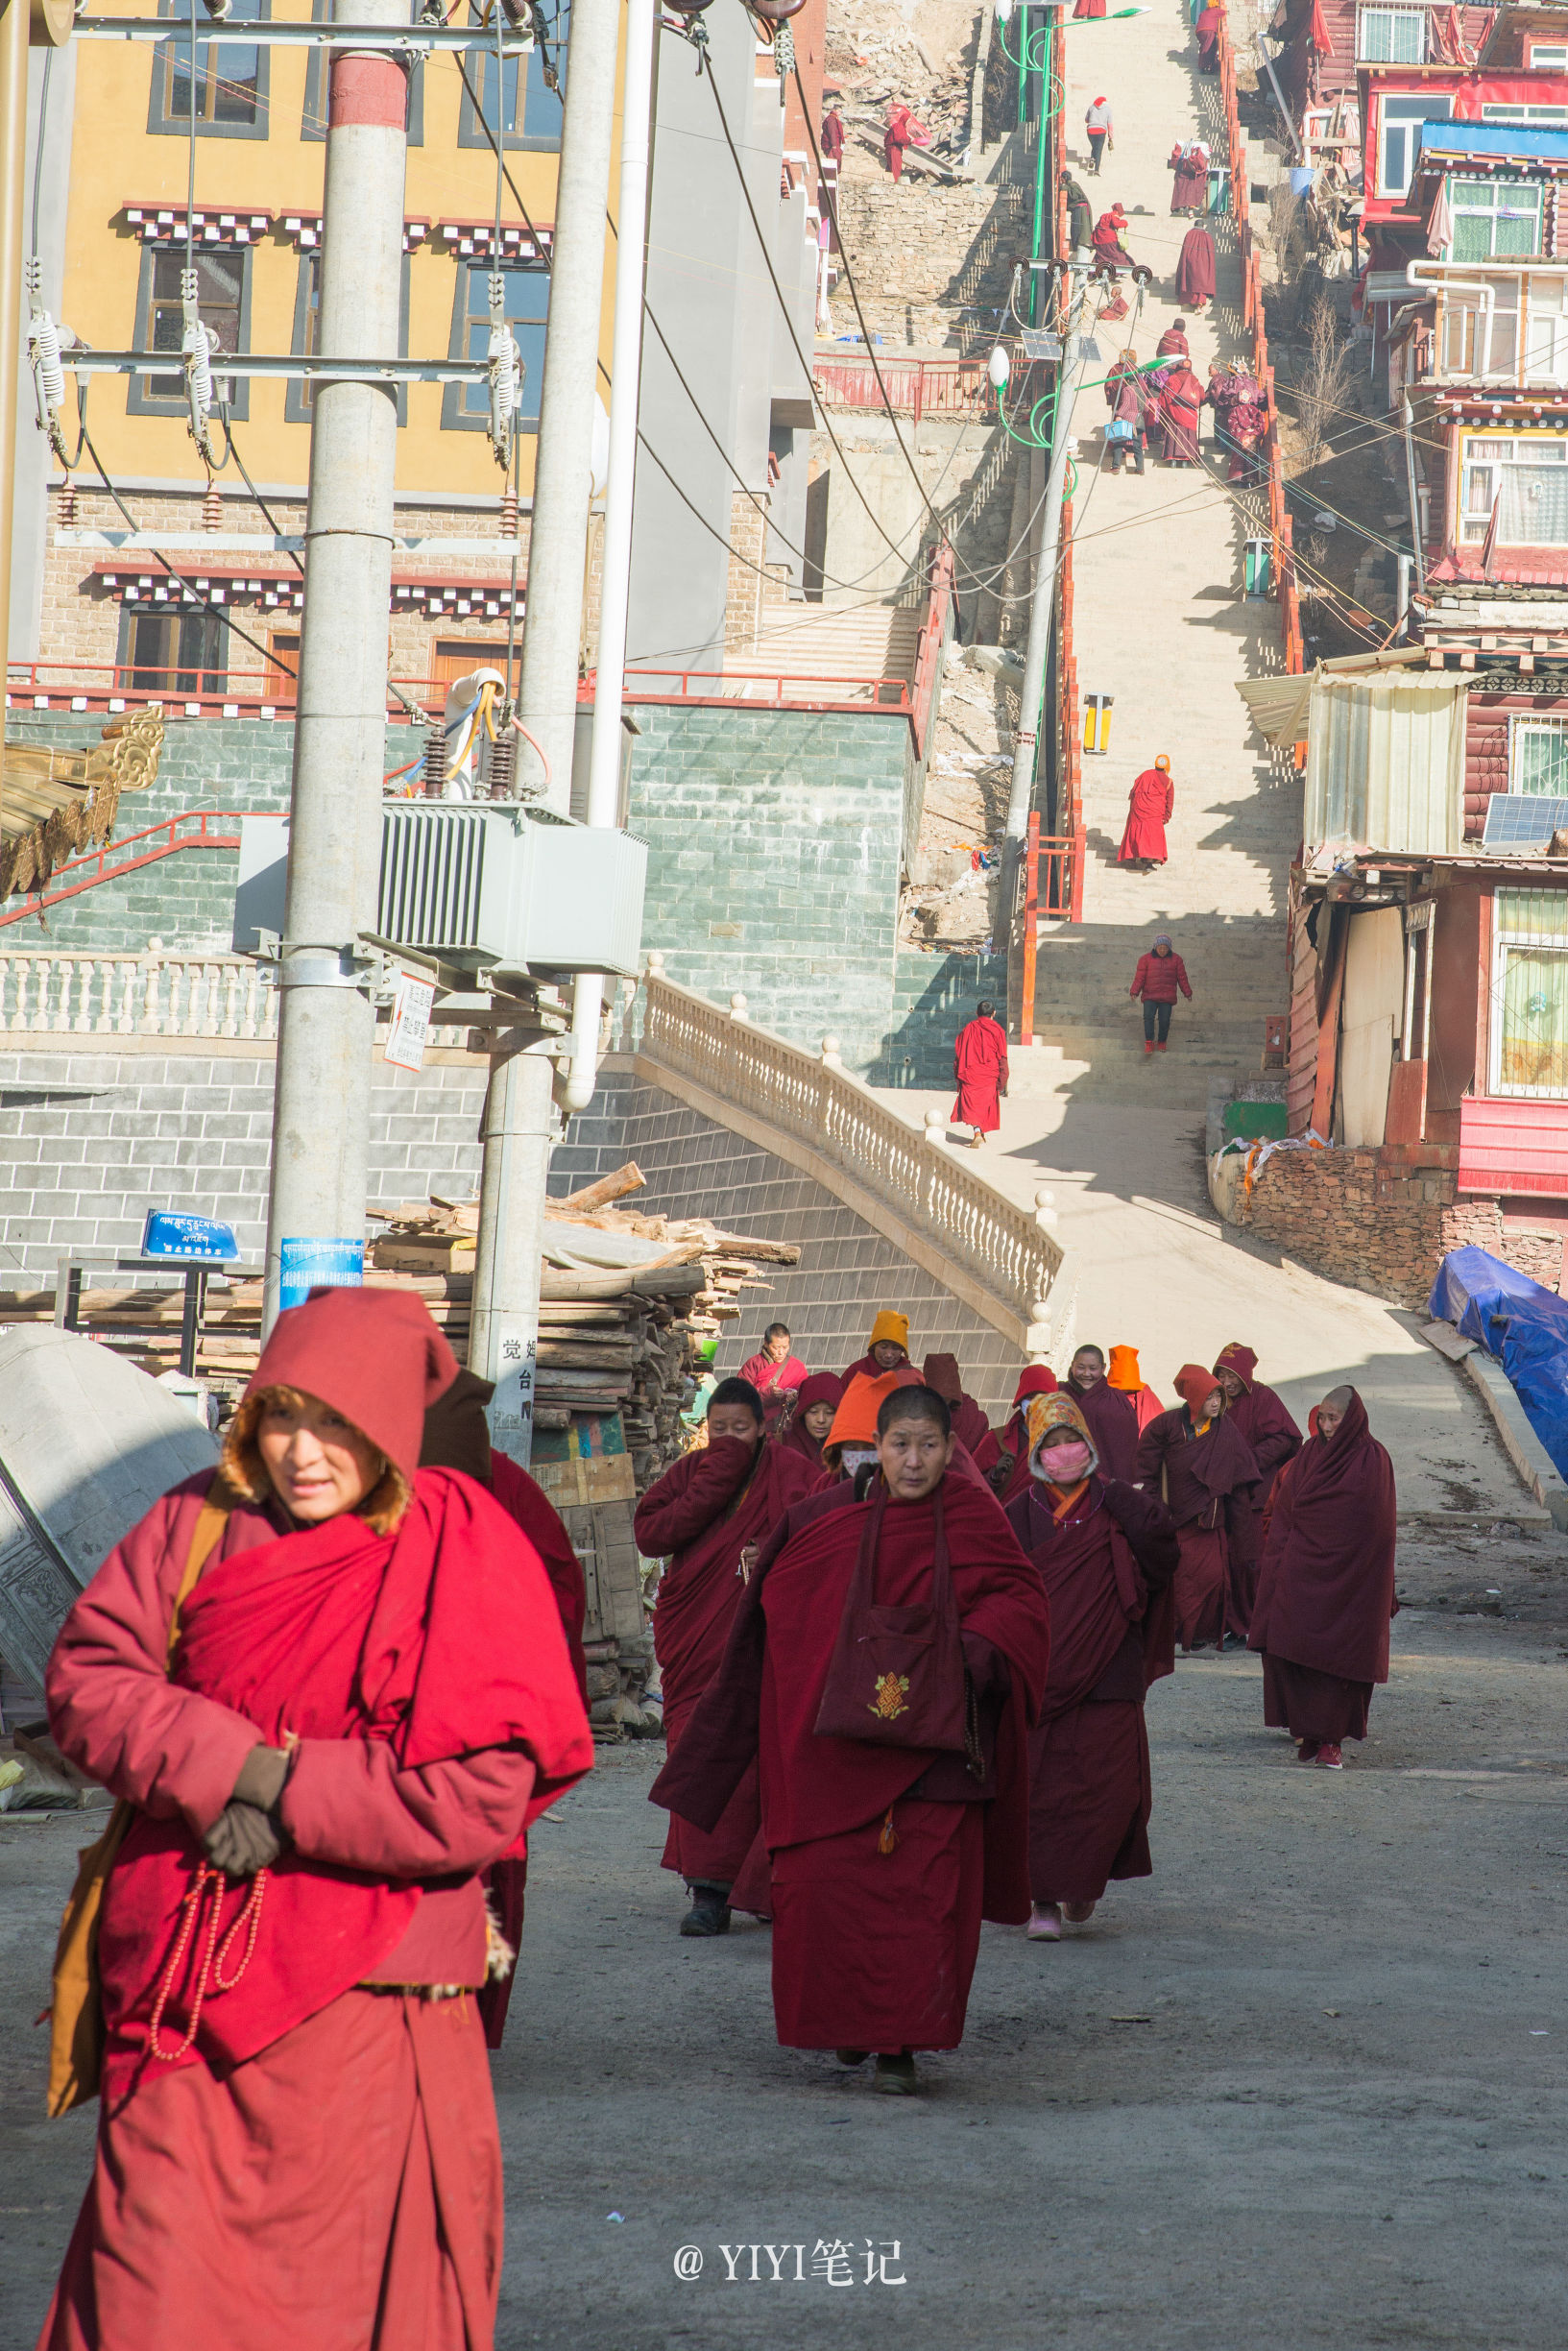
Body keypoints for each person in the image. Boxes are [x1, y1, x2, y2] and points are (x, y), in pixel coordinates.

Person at [37, 1286, 592, 2351]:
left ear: (389, 1424)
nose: (303, 1451)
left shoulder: (456, 1545)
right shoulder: (196, 1520)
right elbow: (88, 1682)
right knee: (152, 2277)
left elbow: (479, 1799)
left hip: (366, 2004)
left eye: (338, 1422)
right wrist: (225, 1768)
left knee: (337, 2301)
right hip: (186, 1985)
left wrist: (286, 1795)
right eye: (282, 1416)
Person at [651, 1385, 1051, 2096]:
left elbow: (1019, 1600)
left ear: (949, 1449)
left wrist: (969, 1651)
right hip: (835, 1748)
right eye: (900, 1444)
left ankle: (900, 2045)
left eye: (929, 1445)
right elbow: (777, 1619)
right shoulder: (823, 1521)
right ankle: (846, 2028)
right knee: (829, 1894)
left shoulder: (970, 1517)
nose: (914, 1461)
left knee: (923, 1904)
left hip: (937, 1751)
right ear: (877, 1445)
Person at [420, 1366, 590, 2049]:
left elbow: (557, 1588)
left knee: (484, 1874)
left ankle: (456, 2024)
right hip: (394, 1742)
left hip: (486, 1730)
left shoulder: (504, 1488)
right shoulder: (357, 1487)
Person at [633, 1376, 816, 1935]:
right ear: (705, 1430)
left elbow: (821, 1536)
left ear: (764, 1427)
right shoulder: (692, 1472)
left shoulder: (791, 1474)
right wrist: (711, 1482)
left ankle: (758, 1885)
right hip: (695, 1640)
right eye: (719, 1431)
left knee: (760, 1763)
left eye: (742, 1429)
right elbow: (651, 1534)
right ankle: (707, 1890)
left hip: (763, 1639)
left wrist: (774, 1552)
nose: (730, 1439)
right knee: (697, 1750)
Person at [1005, 1395, 1177, 1940]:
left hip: (1108, 1667)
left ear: (1090, 1445)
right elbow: (998, 1586)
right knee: (1039, 1788)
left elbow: (1162, 1559)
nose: (1063, 1452)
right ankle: (1043, 1902)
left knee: (1106, 1787)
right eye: (1050, 1444)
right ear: (1035, 1453)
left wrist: (1124, 1500)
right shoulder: (1019, 1513)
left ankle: (1084, 1882)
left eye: (1070, 1440)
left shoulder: (1118, 1503)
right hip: (1041, 1673)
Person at [1249, 1387, 1396, 1768]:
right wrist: (1278, 1566)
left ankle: (1332, 1741)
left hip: (1349, 1579)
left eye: (1335, 1419)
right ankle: (1309, 1734)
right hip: (1302, 1571)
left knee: (1339, 1658)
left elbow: (1377, 1526)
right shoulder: (1309, 1454)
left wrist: (1368, 1577)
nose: (1327, 1426)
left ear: (1353, 1419)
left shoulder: (1372, 1458)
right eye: (1323, 1418)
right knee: (1294, 1648)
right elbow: (1285, 1512)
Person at [1136, 1364, 1261, 1652]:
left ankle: (1202, 1637)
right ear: (1193, 1398)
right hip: (1176, 1522)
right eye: (1209, 1397)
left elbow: (1240, 1479)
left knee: (1214, 1580)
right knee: (1180, 1583)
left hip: (1210, 1522)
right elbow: (1146, 1468)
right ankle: (1175, 1636)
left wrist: (1242, 1529)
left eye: (1218, 1396)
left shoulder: (1226, 1430)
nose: (1216, 1402)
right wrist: (1155, 1506)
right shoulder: (1167, 1425)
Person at [1212, 1343, 1302, 1640]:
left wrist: (1247, 1462)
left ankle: (1251, 1627)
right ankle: (1228, 1623)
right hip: (1224, 1494)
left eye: (1233, 1376)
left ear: (1246, 1375)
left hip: (1254, 1495)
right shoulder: (1216, 1400)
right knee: (1226, 1561)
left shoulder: (1264, 1397)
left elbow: (1285, 1438)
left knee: (1252, 1563)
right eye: (1222, 1375)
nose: (1227, 1383)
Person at [1063, 1344, 1140, 1482]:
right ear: (1072, 1365)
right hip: (1064, 1480)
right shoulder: (1059, 1394)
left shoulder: (1116, 1400)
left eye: (1093, 1368)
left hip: (1105, 1482)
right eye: (1081, 1367)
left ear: (1103, 1368)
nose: (1086, 1374)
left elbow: (1125, 1450)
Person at [923, 1352, 1001, 1478]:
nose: (942, 1402)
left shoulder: (971, 1415)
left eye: (946, 1397)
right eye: (937, 1396)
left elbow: (980, 1459)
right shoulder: (918, 1413)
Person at [991, 1365, 1060, 1501]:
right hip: (1005, 1517)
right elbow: (972, 1484)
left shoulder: (1065, 1441)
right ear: (1021, 1400)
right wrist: (994, 1475)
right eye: (1031, 1398)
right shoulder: (998, 1438)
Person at [952, 998, 1009, 1147]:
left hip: (970, 1073)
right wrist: (1003, 1078)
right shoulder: (998, 1031)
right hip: (989, 1075)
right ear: (994, 1013)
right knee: (984, 1105)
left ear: (977, 1013)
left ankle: (977, 1131)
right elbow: (1002, 1057)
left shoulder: (968, 1029)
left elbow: (959, 1054)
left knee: (973, 1106)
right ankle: (978, 1132)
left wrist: (958, 1074)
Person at [1130, 932, 1192, 1054]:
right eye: (1160, 947)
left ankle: (1162, 1042)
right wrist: (1135, 991)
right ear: (1155, 947)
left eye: (1165, 948)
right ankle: (1149, 1042)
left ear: (1169, 948)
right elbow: (1139, 978)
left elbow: (1182, 978)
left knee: (1164, 1020)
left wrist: (1187, 992)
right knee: (1148, 1018)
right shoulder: (1145, 959)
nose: (1162, 950)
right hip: (1150, 995)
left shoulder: (1177, 960)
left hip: (1167, 997)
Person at [738, 1321, 808, 1431]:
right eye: (776, 1347)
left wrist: (795, 1397)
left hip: (785, 1429)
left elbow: (806, 1396)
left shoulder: (797, 1367)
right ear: (766, 1343)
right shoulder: (754, 1364)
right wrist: (768, 1393)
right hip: (757, 1427)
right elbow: (740, 1396)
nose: (781, 1352)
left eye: (785, 1347)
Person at [1209, 359, 1266, 484]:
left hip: (1235, 417)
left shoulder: (1231, 382)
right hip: (1252, 428)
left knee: (1237, 450)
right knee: (1252, 454)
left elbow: (1222, 398)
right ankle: (1251, 480)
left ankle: (1237, 477)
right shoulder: (1252, 383)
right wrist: (1254, 432)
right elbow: (1261, 399)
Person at [778, 1370, 843, 1471]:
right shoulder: (781, 1444)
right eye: (813, 1412)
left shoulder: (850, 1449)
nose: (821, 1420)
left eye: (829, 1413)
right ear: (802, 1413)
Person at [1117, 755, 1173, 868]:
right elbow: (1169, 801)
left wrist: (1133, 810)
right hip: (1154, 814)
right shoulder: (1168, 781)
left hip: (1138, 811)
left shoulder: (1144, 775)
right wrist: (1166, 817)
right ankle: (1148, 862)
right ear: (1167, 768)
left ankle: (1132, 855)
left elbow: (1133, 793)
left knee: (1138, 831)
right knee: (1151, 837)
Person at [1103, 351, 1149, 477]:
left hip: (1127, 420)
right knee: (1138, 445)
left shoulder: (1127, 389)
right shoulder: (1140, 390)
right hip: (1139, 420)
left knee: (1119, 442)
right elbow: (1146, 407)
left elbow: (1125, 404)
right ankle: (1140, 468)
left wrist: (1118, 414)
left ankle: (1116, 466)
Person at [1154, 353, 1205, 463]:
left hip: (1174, 412)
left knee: (1175, 433)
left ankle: (1172, 458)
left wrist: (1168, 410)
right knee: (1188, 436)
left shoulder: (1172, 379)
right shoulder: (1194, 379)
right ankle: (1186, 460)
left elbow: (1164, 398)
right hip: (1190, 414)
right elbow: (1202, 396)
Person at [841, 1308, 912, 1384]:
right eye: (883, 1347)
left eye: (895, 1348)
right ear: (874, 1347)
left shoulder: (910, 1375)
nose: (888, 1354)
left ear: (902, 1350)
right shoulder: (856, 1371)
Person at [1107, 1344, 1165, 1434]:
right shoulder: (1103, 1396)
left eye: (1129, 1390)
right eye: (1120, 1390)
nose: (1124, 1394)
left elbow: (1159, 1429)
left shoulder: (1146, 1395)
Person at [1175, 220, 1217, 313]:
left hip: (1190, 261)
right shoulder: (1208, 237)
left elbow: (1185, 250)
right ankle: (1199, 305)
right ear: (1203, 226)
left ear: (1195, 225)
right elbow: (1211, 254)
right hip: (1204, 264)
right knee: (1202, 282)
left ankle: (1187, 301)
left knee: (1189, 280)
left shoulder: (1190, 234)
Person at [884, 100, 927, 183]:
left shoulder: (900, 127)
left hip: (893, 149)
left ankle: (888, 181)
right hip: (893, 150)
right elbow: (900, 139)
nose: (908, 123)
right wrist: (911, 141)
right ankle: (896, 183)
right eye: (907, 121)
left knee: (891, 166)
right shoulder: (898, 127)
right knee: (895, 167)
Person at [1170, 135, 1211, 213]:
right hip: (1195, 176)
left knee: (1181, 190)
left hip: (1183, 174)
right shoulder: (1202, 150)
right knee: (1192, 193)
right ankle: (1190, 210)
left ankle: (1180, 207)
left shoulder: (1183, 148)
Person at [1092, 203, 1135, 277]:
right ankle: (1118, 272)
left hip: (1098, 241)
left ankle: (1095, 273)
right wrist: (1125, 222)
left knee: (1101, 257)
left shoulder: (1105, 216)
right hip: (1109, 241)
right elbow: (1116, 224)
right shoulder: (1114, 215)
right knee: (1119, 256)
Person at [1085, 94, 1113, 171]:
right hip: (1101, 131)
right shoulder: (1108, 109)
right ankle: (1096, 170)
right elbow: (1110, 124)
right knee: (1098, 149)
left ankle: (1092, 158)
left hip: (1090, 131)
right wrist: (1110, 136)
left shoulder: (1091, 107)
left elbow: (1086, 120)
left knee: (1095, 146)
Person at [1195, 0, 1225, 69]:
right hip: (1209, 30)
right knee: (1209, 47)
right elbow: (1224, 12)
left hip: (1199, 32)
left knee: (1203, 46)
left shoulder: (1204, 12)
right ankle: (1206, 66)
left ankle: (1202, 64)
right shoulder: (1215, 10)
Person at [821, 100, 845, 164]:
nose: (840, 113)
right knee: (833, 162)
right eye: (839, 111)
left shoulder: (834, 118)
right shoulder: (831, 119)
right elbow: (832, 132)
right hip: (831, 145)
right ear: (834, 110)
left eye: (841, 111)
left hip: (833, 144)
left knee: (835, 161)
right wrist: (834, 144)